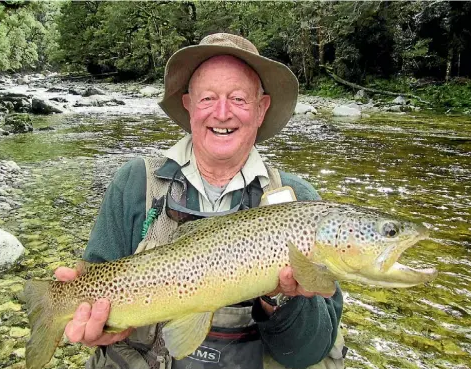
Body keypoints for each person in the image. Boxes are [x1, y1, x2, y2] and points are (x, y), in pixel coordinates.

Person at [55, 33, 345, 369]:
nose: (222, 114)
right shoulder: (133, 184)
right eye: (208, 98)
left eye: (238, 98)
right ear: (188, 104)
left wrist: (279, 298)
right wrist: (98, 324)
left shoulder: (299, 203)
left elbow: (309, 354)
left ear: (261, 108)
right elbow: (93, 285)